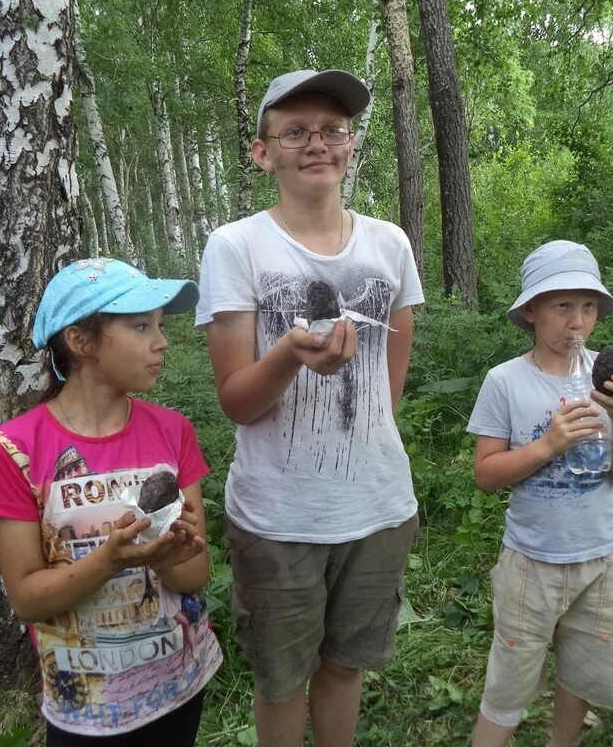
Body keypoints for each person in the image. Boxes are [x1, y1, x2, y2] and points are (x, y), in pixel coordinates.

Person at [195, 69, 424, 747]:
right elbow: (238, 400)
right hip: (279, 515)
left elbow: (390, 385)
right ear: (262, 151)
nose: (316, 143)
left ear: (352, 146)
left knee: (346, 667)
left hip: (378, 506)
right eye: (295, 131)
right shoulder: (236, 247)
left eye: (331, 130)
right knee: (281, 679)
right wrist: (292, 355)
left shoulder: (390, 245)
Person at [0, 258, 222, 746]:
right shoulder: (16, 450)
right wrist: (108, 561)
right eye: (139, 326)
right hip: (85, 706)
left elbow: (196, 575)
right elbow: (26, 599)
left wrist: (173, 556)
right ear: (80, 341)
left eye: (159, 325)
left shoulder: (172, 432)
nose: (161, 342)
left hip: (178, 682)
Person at [467, 240, 613, 747]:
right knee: (510, 680)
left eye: (588, 306)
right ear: (530, 311)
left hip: (605, 557)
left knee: (583, 674)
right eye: (562, 305)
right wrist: (548, 444)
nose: (577, 321)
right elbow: (486, 474)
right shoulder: (505, 381)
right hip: (532, 563)